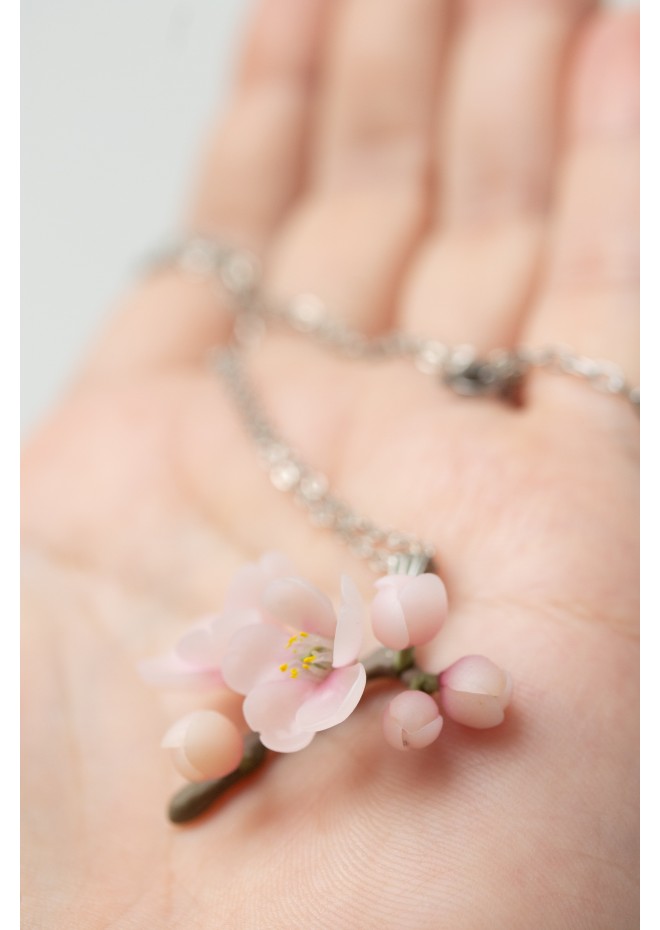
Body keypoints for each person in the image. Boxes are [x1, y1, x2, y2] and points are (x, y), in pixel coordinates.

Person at [21, 0, 639, 927]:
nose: (311, 657)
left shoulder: (340, 662)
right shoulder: (310, 674)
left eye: (317, 653)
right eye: (311, 657)